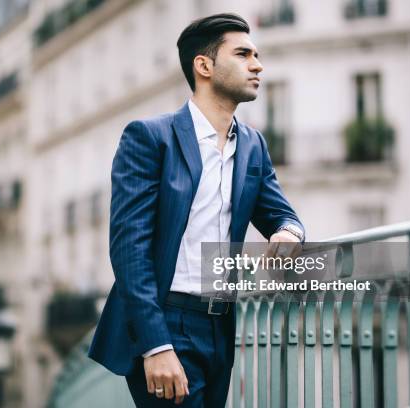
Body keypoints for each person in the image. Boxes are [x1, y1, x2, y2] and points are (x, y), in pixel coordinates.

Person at [88, 13, 305, 407]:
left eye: (256, 54)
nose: (257, 64)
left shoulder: (253, 145)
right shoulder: (151, 138)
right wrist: (155, 345)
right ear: (203, 66)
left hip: (221, 324)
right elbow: (128, 250)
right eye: (243, 54)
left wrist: (289, 231)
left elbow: (282, 214)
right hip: (166, 319)